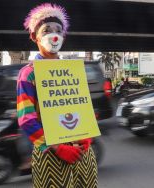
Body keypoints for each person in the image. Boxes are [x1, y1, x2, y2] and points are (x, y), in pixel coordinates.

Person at [17, 3, 97, 187]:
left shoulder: (72, 71)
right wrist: (56, 147)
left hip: (82, 153)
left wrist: (87, 137)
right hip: (51, 156)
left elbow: (84, 108)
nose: (54, 35)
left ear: (63, 36)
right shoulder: (29, 74)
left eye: (58, 30)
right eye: (46, 30)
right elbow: (26, 118)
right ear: (34, 36)